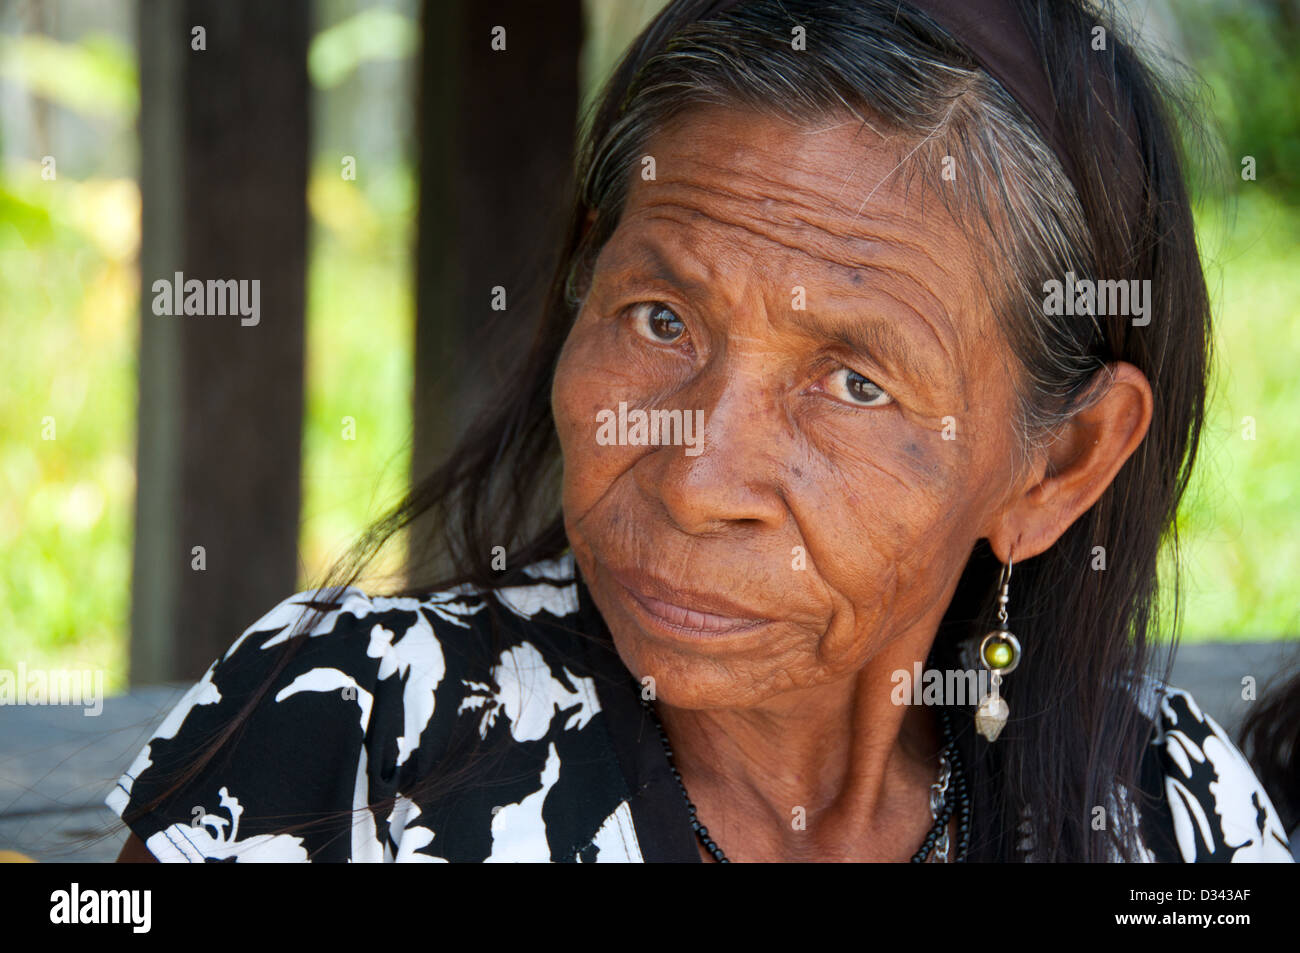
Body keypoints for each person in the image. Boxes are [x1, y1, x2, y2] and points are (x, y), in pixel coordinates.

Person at [110, 0, 1293, 862]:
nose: (695, 475)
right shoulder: (350, 735)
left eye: (854, 383)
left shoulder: (1162, 808)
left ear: (1055, 467)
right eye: (661, 315)